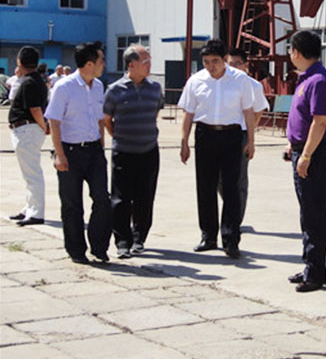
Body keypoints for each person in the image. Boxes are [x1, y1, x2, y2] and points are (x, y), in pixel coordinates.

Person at [178, 39, 255, 259]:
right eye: (206, 62)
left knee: (231, 188)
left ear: (224, 60)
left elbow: (248, 111)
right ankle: (208, 236)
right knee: (205, 187)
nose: (210, 66)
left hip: (232, 136)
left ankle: (231, 239)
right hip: (205, 135)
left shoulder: (240, 79)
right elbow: (188, 113)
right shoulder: (196, 81)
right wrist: (184, 142)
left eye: (215, 61)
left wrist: (251, 140)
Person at [45, 42, 111, 264]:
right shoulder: (64, 87)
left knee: (102, 199)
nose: (104, 64)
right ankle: (76, 250)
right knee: (72, 204)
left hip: (94, 151)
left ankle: (99, 247)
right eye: (101, 60)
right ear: (89, 64)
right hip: (70, 151)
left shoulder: (99, 86)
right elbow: (54, 121)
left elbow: (100, 120)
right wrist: (59, 155)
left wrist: (101, 147)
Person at [284, 30, 326, 293]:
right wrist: (292, 144)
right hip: (304, 150)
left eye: (290, 49)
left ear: (296, 52)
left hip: (317, 155)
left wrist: (305, 155)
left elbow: (320, 121)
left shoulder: (318, 81)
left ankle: (316, 273)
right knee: (307, 213)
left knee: (315, 214)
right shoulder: (306, 78)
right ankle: (310, 264)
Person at [103, 45, 164, 259]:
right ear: (131, 65)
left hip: (149, 151)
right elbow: (107, 120)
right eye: (145, 61)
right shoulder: (114, 90)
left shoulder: (155, 88)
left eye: (149, 60)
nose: (149, 65)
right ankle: (122, 242)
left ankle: (139, 239)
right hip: (124, 152)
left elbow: (154, 113)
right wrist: (120, 136)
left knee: (145, 198)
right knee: (121, 199)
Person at [220, 48, 270, 231]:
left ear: (246, 65)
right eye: (230, 64)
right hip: (221, 134)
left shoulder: (253, 85)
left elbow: (259, 110)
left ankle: (235, 220)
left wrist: (250, 134)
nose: (233, 67)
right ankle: (232, 207)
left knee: (239, 179)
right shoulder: (221, 83)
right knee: (219, 179)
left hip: (241, 135)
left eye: (237, 63)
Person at [7, 46, 49, 226]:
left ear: (19, 61)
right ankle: (29, 207)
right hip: (29, 130)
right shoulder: (36, 80)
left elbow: (35, 109)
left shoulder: (30, 82)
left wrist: (44, 127)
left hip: (27, 129)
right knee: (29, 173)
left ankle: (36, 212)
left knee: (32, 174)